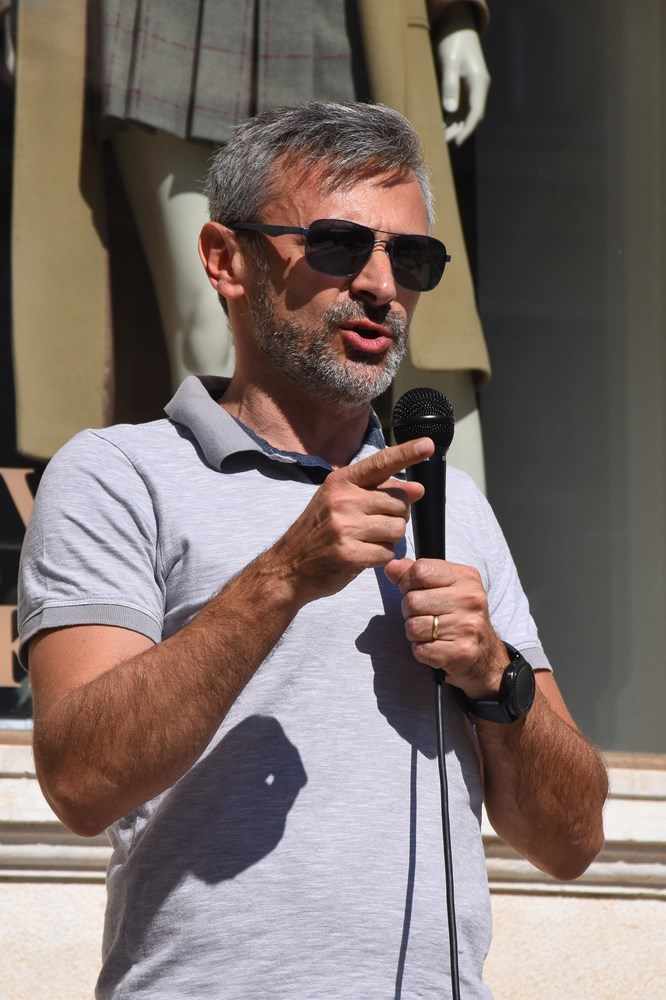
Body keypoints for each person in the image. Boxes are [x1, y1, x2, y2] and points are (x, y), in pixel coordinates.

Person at [18, 102, 607, 999]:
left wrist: (497, 675)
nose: (381, 285)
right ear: (227, 260)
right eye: (338, 245)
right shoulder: (118, 475)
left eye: (411, 259)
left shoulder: (452, 504)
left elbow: (572, 841)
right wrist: (283, 577)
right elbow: (80, 782)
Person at [9, 0, 491, 489]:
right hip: (166, 18)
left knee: (417, 337)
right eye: (335, 244)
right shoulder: (94, 476)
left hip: (337, 16)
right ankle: (224, 509)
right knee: (203, 323)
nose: (381, 283)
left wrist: (454, 13)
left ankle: (438, 516)